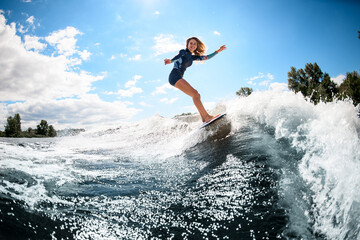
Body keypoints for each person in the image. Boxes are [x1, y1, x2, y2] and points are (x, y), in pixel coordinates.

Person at [164, 37, 226, 123]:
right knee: (195, 94)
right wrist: (170, 60)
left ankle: (204, 119)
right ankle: (207, 117)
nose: (192, 45)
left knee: (197, 95)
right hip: (174, 76)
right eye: (191, 43)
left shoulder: (192, 57)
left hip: (178, 77)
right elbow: (178, 57)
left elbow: (206, 57)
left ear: (196, 46)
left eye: (194, 44)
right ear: (187, 45)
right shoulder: (183, 52)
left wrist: (218, 51)